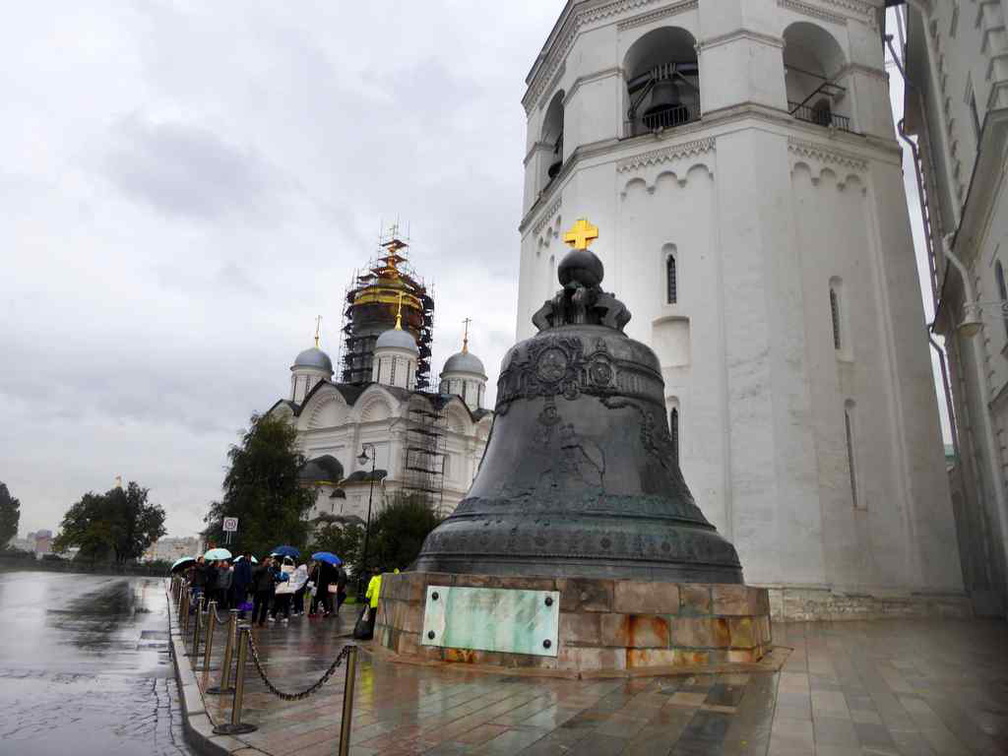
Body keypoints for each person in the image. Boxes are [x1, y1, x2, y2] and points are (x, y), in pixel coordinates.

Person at [251, 556, 279, 627]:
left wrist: (275, 565)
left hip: (267, 590)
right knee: (256, 606)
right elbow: (258, 571)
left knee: (265, 607)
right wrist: (265, 565)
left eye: (269, 561)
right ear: (263, 561)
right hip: (259, 590)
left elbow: (274, 575)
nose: (268, 562)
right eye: (267, 561)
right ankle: (254, 621)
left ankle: (262, 621)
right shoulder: (259, 567)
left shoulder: (270, 569)